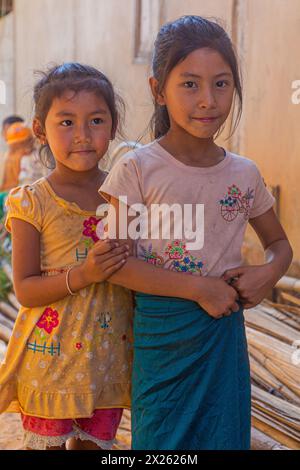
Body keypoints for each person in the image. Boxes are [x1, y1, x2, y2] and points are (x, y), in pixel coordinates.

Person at [98, 16, 293, 450]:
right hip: (162, 338)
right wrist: (199, 288)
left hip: (223, 336)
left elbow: (280, 245)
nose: (208, 100)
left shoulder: (243, 174)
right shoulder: (137, 169)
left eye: (221, 84)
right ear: (157, 90)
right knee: (162, 441)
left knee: (223, 434)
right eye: (190, 84)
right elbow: (114, 263)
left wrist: (269, 272)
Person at [0, 63, 133, 450]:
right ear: (40, 129)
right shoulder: (32, 202)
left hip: (108, 359)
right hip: (50, 361)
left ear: (113, 124)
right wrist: (85, 273)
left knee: (94, 447)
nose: (83, 136)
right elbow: (25, 289)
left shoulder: (125, 195)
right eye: (67, 122)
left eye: (95, 120)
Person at [0, 122, 35, 192]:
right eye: (17, 146)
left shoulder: (32, 158)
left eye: (25, 143)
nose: (26, 149)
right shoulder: (8, 157)